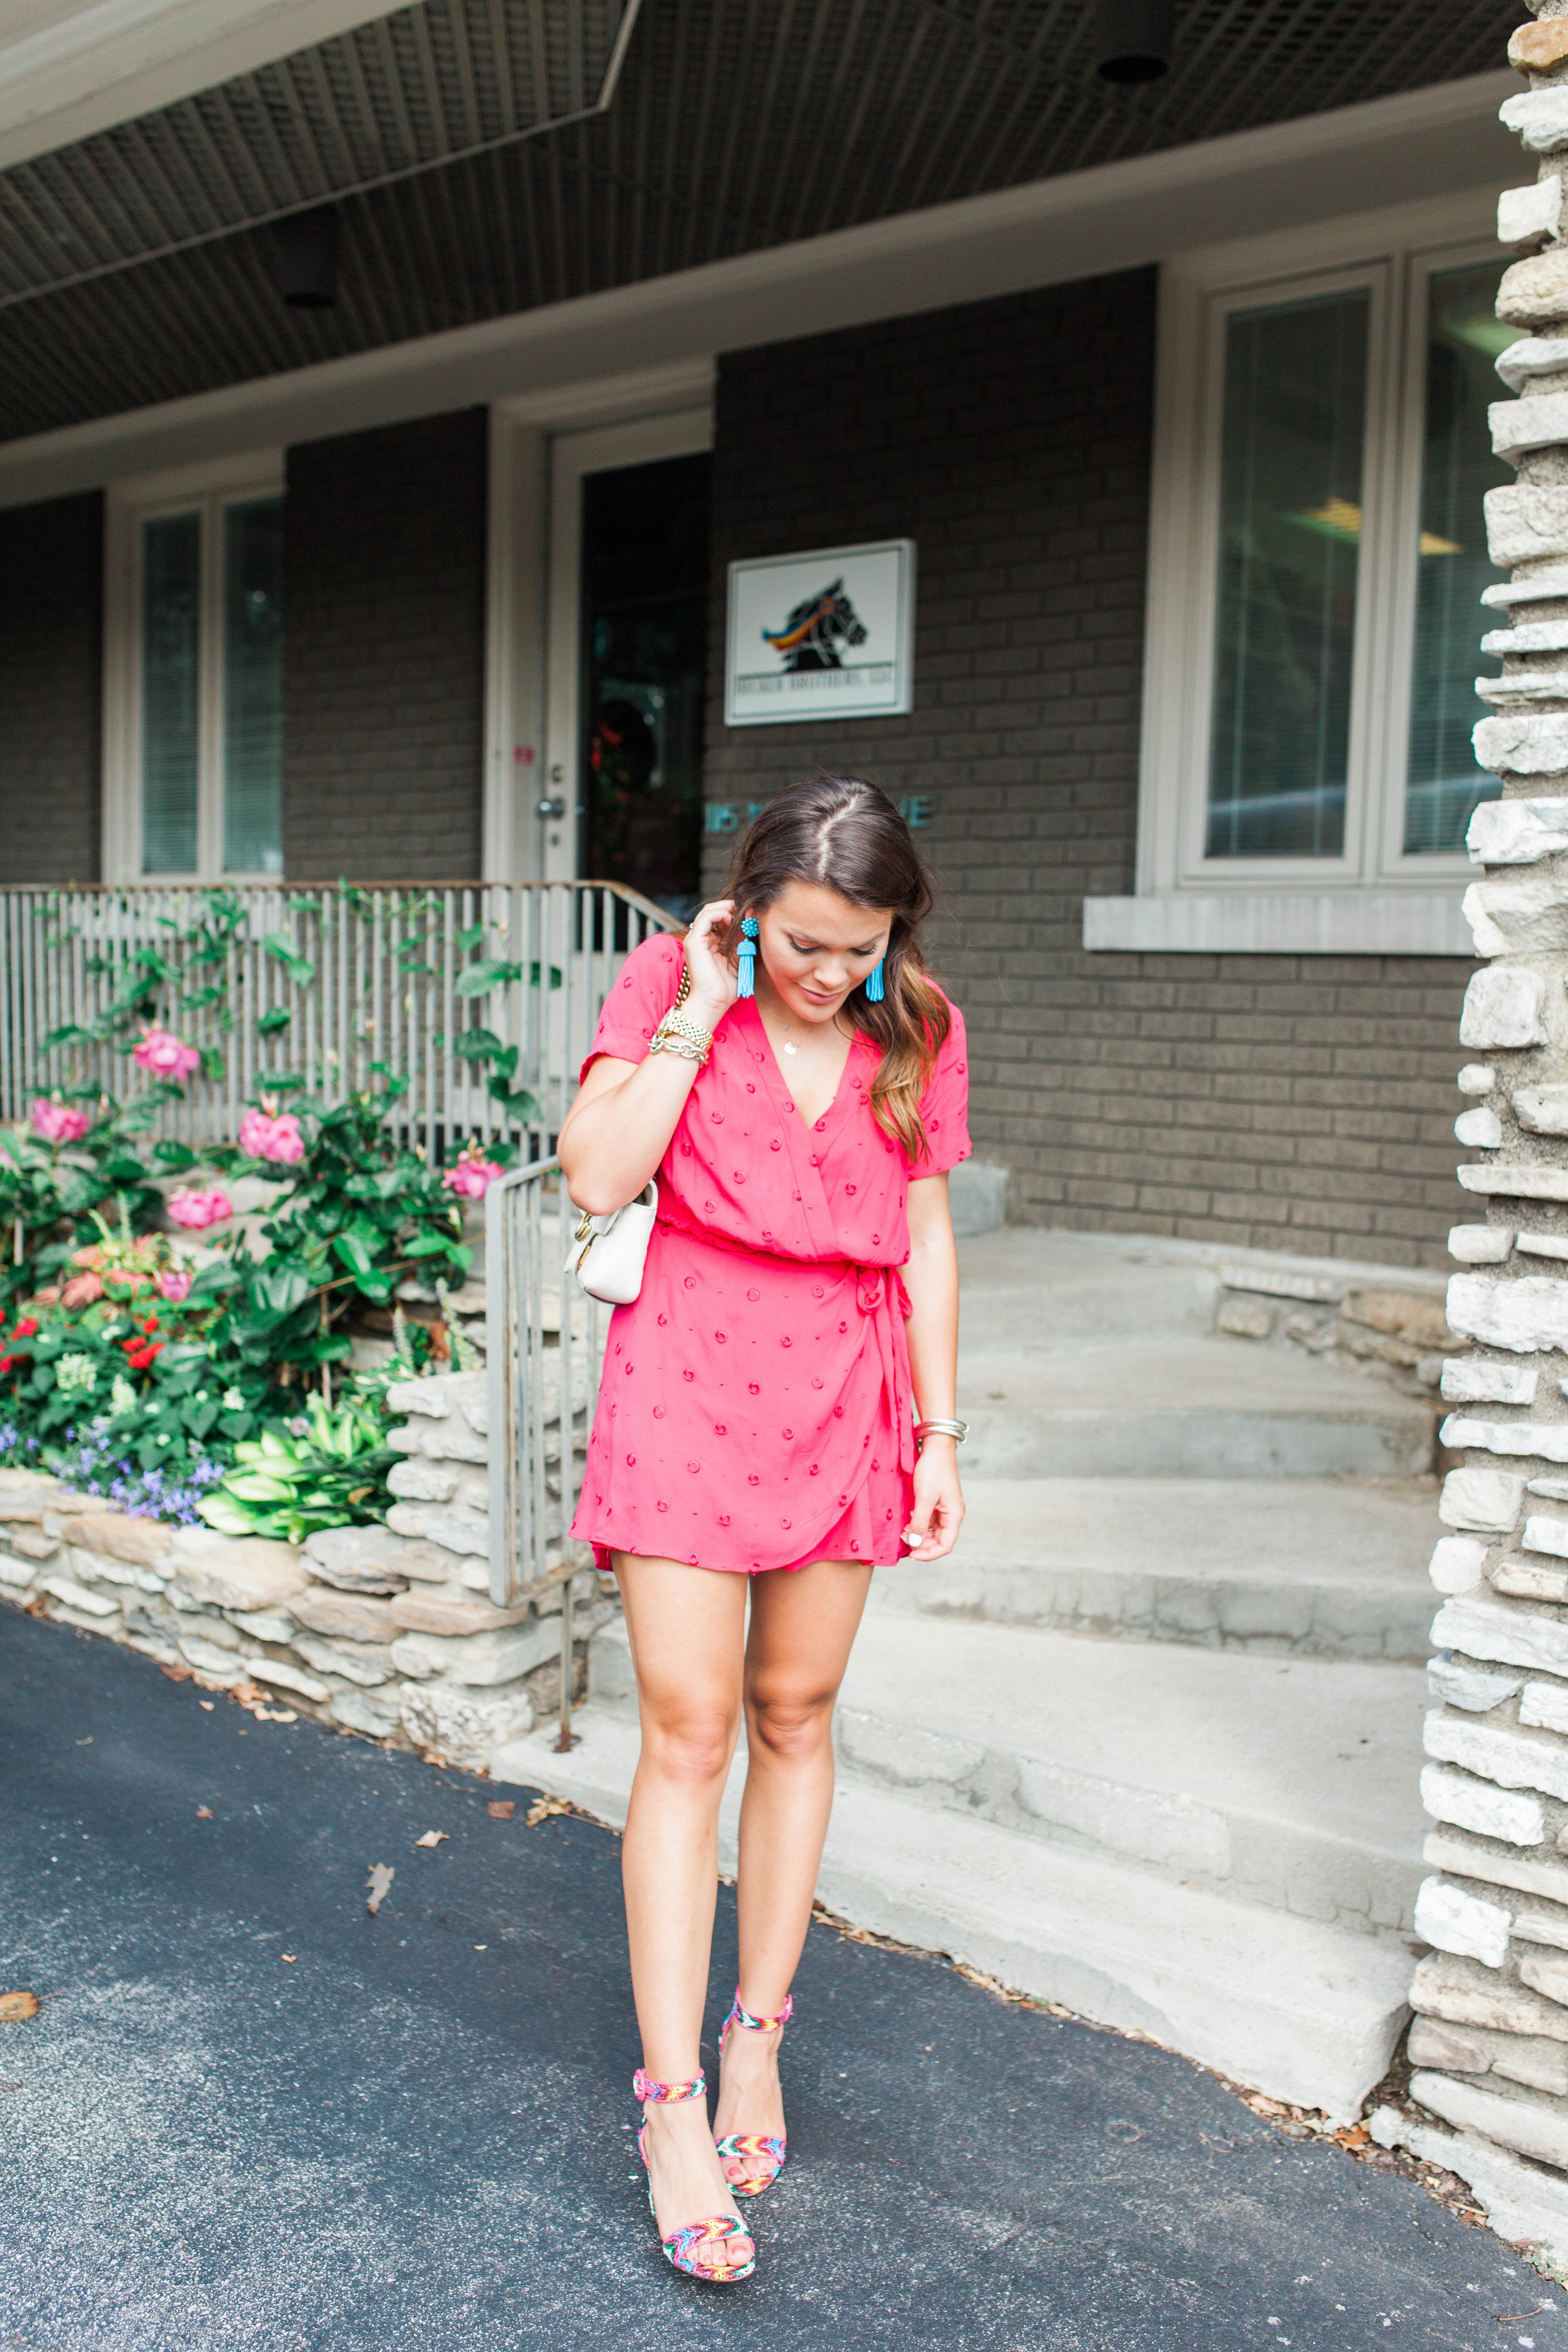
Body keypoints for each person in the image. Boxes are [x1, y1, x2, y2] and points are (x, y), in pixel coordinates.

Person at [557, 774, 971, 2286]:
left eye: (857, 945)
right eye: (803, 940)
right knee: (687, 1729)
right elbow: (598, 1172)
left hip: (842, 1391)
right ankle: (668, 2103)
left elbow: (923, 1237)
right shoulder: (677, 980)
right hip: (681, 1371)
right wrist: (701, 996)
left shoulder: (914, 1025)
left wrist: (937, 1431)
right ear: (752, 909)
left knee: (795, 1712)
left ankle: (755, 2039)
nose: (826, 972)